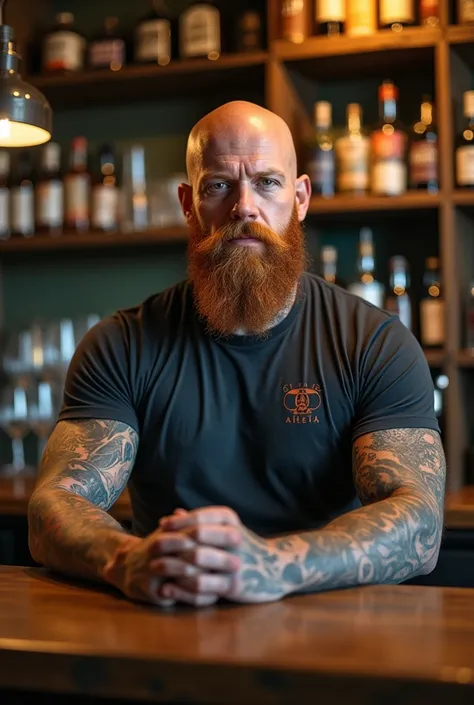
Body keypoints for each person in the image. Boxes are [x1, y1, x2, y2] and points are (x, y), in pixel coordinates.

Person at [28, 101, 446, 608]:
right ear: (188, 203)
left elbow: (420, 523)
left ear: (300, 199)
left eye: (267, 183)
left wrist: (273, 565)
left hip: (330, 623)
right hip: (170, 616)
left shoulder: (377, 344)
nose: (244, 207)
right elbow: (54, 505)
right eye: (219, 185)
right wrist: (125, 558)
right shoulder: (122, 345)